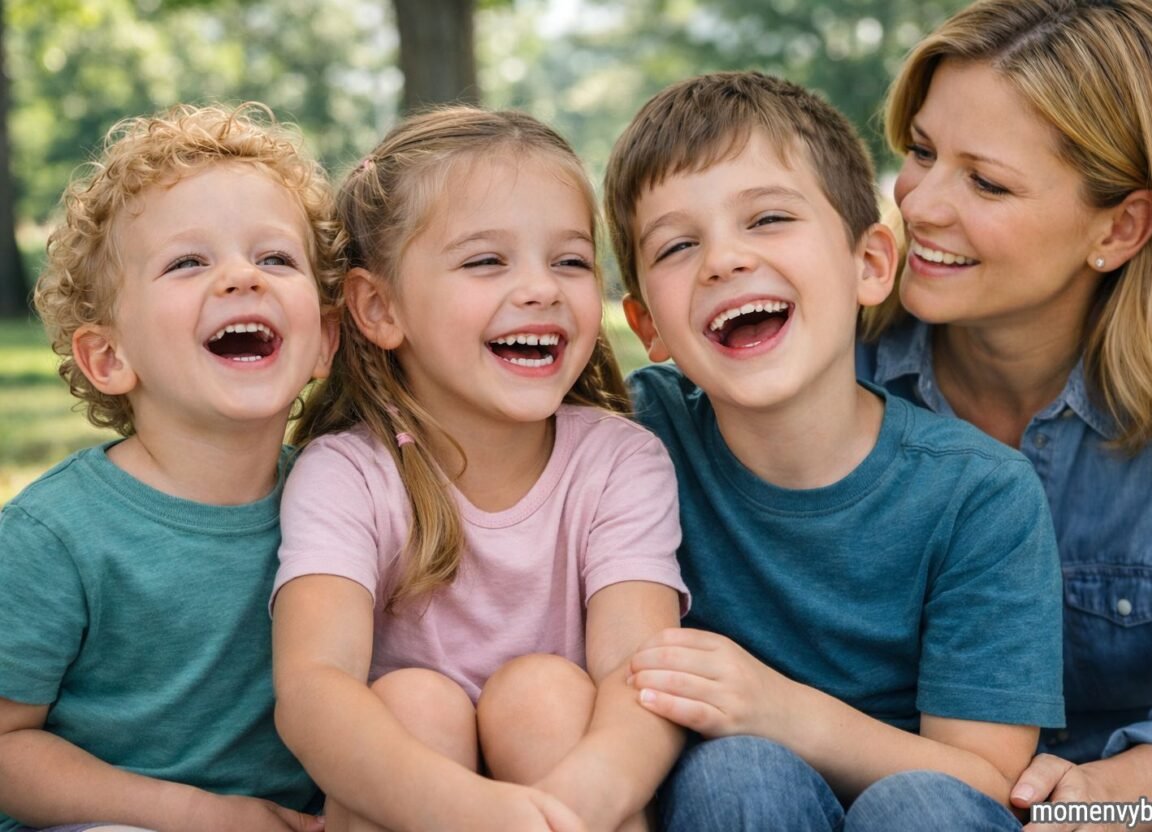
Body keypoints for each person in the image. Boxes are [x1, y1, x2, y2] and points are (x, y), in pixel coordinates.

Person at [603, 70, 1064, 831]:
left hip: (923, 807)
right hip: (738, 807)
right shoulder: (634, 439)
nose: (722, 260)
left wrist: (777, 708)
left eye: (769, 218)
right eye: (679, 245)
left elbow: (987, 781)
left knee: (915, 806)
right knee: (735, 770)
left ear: (871, 265)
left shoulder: (981, 494)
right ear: (648, 324)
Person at [856, 0, 1152, 829]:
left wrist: (1104, 798)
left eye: (985, 181)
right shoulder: (834, 369)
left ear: (1122, 226)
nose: (919, 203)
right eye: (921, 152)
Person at [270, 106, 688, 832]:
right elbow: (313, 692)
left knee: (543, 694)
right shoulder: (346, 474)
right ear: (378, 306)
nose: (541, 289)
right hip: (421, 802)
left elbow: (641, 680)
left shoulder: (622, 461)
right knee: (411, 704)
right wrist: (475, 815)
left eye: (570, 260)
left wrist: (556, 817)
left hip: (574, 787)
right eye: (486, 260)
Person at [0, 104, 338, 832]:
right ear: (109, 357)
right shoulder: (55, 535)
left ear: (324, 341)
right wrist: (195, 815)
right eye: (189, 262)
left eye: (276, 258)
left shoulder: (344, 503)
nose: (243, 277)